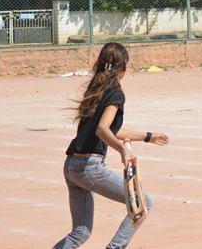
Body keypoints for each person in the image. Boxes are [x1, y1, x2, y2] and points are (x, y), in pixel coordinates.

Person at [53, 42, 170, 248]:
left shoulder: (96, 89)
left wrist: (147, 136)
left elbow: (109, 130)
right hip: (90, 167)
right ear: (123, 67)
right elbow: (102, 129)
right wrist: (122, 149)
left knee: (80, 232)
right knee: (143, 204)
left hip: (72, 166)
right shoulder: (115, 93)